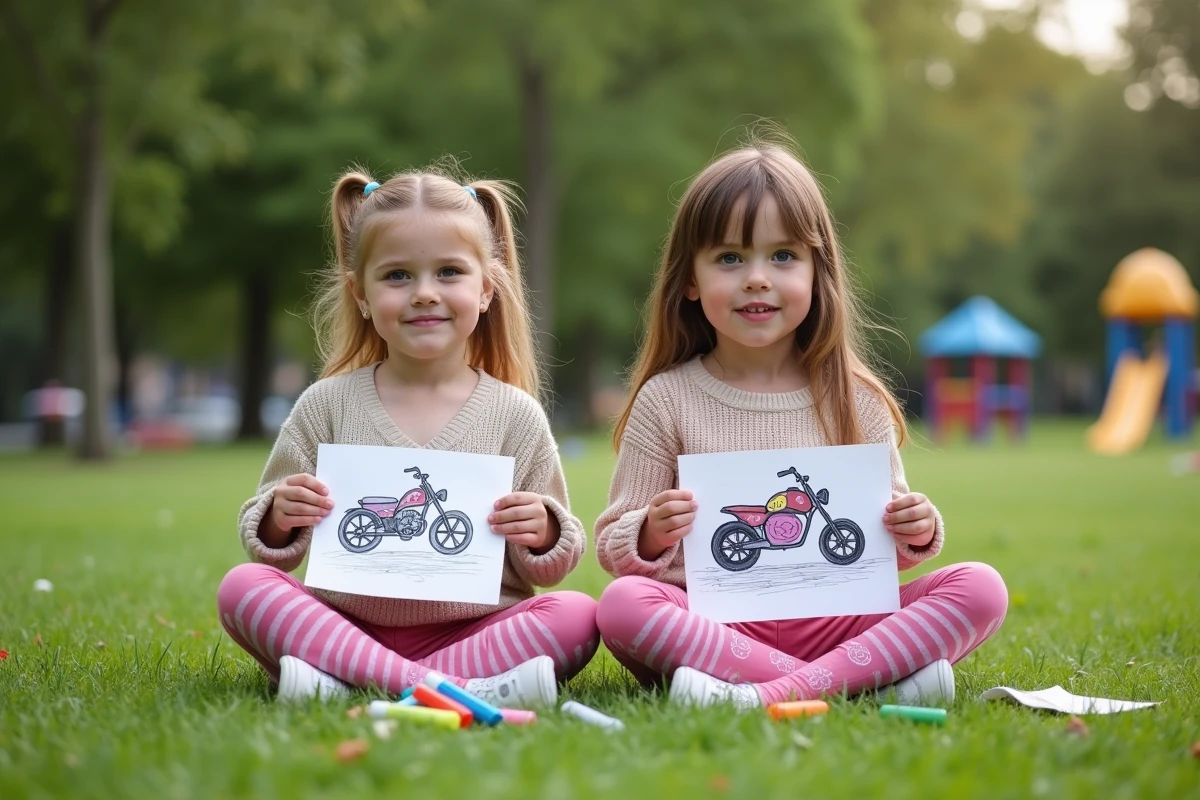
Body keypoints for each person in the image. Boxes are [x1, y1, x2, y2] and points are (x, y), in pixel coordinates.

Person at [593, 137, 1008, 709]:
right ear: (689, 279)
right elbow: (615, 546)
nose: (757, 278)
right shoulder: (667, 399)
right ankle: (862, 683)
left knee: (981, 588)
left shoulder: (856, 400)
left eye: (783, 256)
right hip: (719, 626)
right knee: (623, 604)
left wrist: (914, 525)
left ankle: (765, 693)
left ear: (819, 273)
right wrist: (651, 529)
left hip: (843, 623)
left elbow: (890, 544)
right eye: (730, 258)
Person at [217, 166, 598, 707]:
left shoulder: (516, 415)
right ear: (361, 293)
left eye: (448, 272)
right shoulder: (326, 404)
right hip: (345, 625)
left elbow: (555, 565)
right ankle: (453, 690)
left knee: (577, 615)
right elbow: (268, 549)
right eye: (397, 276)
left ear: (486, 289)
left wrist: (541, 530)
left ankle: (344, 684)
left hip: (469, 632)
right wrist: (281, 515)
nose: (423, 294)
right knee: (243, 589)